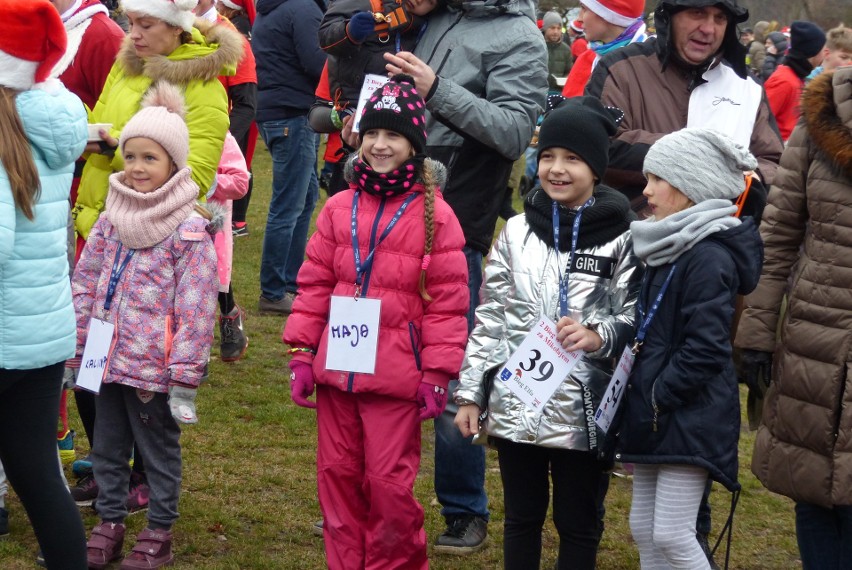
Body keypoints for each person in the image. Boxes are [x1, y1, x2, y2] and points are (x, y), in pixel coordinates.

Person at [381, 0, 548, 552]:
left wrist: (435, 91)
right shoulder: (433, 15)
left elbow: (513, 130)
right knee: (382, 365)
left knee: (451, 371)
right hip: (390, 211)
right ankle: (380, 501)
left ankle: (463, 510)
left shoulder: (520, 34)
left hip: (457, 223)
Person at [283, 74, 469, 570]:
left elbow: (449, 303)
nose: (381, 145)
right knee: (338, 483)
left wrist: (437, 372)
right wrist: (302, 353)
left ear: (414, 144)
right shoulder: (338, 206)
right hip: (338, 375)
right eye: (372, 134)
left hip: (395, 379)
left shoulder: (437, 216)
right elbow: (314, 283)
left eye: (394, 135)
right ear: (358, 138)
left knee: (388, 490)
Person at [453, 97, 642, 570]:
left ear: (597, 168)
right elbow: (490, 315)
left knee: (578, 522)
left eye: (573, 159)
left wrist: (600, 334)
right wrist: (473, 392)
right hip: (519, 399)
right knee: (521, 516)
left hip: (584, 408)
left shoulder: (624, 236)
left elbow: (635, 313)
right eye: (549, 156)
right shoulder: (516, 230)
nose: (557, 169)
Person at [67, 0, 241, 512]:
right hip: (99, 230)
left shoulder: (204, 89)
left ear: (178, 27)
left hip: (155, 249)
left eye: (145, 25)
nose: (133, 33)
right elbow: (98, 123)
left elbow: (199, 173)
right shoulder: (125, 68)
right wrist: (90, 138)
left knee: (142, 374)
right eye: (132, 23)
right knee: (91, 363)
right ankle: (109, 466)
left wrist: (122, 150)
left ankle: (144, 473)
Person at [71, 82, 219, 570]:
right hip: (106, 358)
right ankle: (109, 520)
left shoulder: (188, 228)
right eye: (130, 156)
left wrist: (184, 371)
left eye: (149, 159)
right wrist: (78, 342)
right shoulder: (112, 219)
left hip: (155, 367)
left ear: (173, 166)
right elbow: (86, 280)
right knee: (107, 447)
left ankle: (159, 529)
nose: (135, 167)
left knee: (156, 451)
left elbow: (197, 304)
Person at [617, 127, 762, 569]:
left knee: (673, 532)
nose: (647, 191)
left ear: (689, 185)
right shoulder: (666, 245)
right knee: (644, 526)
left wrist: (660, 395)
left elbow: (707, 347)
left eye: (657, 179)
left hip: (687, 413)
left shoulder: (708, 255)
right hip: (655, 409)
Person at [736, 66, 852, 570]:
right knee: (814, 486)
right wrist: (757, 333)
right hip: (817, 340)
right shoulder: (822, 118)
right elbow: (778, 234)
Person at [0, 0, 89, 566]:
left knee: (33, 468)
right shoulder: (51, 115)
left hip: (7, 329)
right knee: (37, 471)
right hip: (40, 331)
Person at [585, 0, 783, 215]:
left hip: (723, 237)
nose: (708, 29)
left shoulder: (747, 86)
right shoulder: (621, 68)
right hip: (635, 234)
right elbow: (597, 147)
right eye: (697, 13)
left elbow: (774, 162)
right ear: (670, 17)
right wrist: (697, 158)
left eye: (720, 18)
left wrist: (750, 179)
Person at [47, 0, 126, 484]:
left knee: (93, 332)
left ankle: (114, 459)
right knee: (75, 330)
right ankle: (76, 438)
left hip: (93, 206)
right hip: (74, 205)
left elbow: (119, 131)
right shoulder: (53, 28)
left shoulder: (100, 35)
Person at [253, 0, 326, 315]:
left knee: (304, 199)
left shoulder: (271, 7)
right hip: (293, 115)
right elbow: (318, 64)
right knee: (288, 206)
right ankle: (273, 291)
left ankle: (289, 282)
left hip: (277, 111)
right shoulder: (303, 8)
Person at [318, 0, 436, 112]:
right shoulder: (365, 3)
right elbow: (324, 37)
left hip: (393, 104)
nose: (420, 1)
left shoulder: (425, 24)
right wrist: (349, 31)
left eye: (430, 1)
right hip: (352, 103)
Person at [209, 132, 251, 361]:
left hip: (208, 222)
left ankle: (229, 315)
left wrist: (208, 181)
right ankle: (192, 348)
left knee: (213, 272)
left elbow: (239, 181)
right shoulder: (159, 124)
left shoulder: (218, 134)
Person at [561, 0, 648, 98]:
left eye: (584, 9)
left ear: (606, 15)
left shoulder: (652, 63)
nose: (579, 19)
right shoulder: (585, 60)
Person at [764, 21, 826, 141]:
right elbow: (761, 122)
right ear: (813, 52)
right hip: (778, 153)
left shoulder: (797, 77)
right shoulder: (784, 80)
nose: (824, 55)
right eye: (823, 50)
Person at [542, 11, 573, 91]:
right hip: (538, 92)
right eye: (552, 28)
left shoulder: (566, 50)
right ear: (545, 29)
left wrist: (566, 79)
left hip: (557, 92)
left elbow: (569, 71)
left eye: (559, 28)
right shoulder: (537, 46)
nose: (556, 32)